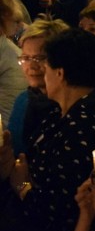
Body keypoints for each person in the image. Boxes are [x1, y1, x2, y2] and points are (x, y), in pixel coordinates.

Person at [0, 29, 95, 231]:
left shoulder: (85, 122)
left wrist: (22, 185)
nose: (42, 74)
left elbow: (54, 209)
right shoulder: (61, 111)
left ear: (59, 73)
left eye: (46, 66)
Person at [7, 20, 69, 156]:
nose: (31, 66)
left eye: (40, 58)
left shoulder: (68, 105)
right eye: (26, 58)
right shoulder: (23, 100)